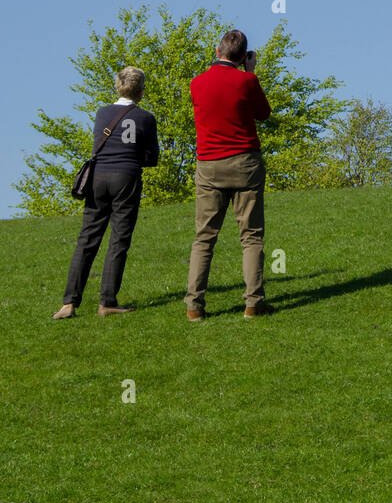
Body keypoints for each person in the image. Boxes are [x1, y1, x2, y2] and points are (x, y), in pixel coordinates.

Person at [52, 66, 159, 319]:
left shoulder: (102, 114)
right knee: (118, 240)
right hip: (127, 177)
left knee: (87, 239)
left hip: (98, 178)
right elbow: (152, 158)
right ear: (141, 91)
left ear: (117, 86)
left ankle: (69, 303)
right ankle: (107, 301)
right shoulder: (146, 118)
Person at [185, 29, 273, 321]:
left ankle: (194, 306)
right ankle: (253, 302)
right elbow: (264, 113)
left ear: (217, 49)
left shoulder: (196, 84)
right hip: (245, 162)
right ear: (243, 56)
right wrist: (251, 73)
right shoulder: (247, 80)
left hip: (209, 164)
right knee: (251, 236)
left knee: (204, 238)